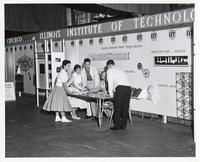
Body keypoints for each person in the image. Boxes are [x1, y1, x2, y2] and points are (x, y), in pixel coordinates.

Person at [106, 60, 132, 130]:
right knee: (125, 108)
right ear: (113, 64)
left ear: (108, 66)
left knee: (117, 108)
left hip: (120, 88)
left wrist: (111, 94)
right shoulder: (120, 69)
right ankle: (124, 126)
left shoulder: (110, 70)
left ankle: (117, 126)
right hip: (128, 88)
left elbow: (110, 82)